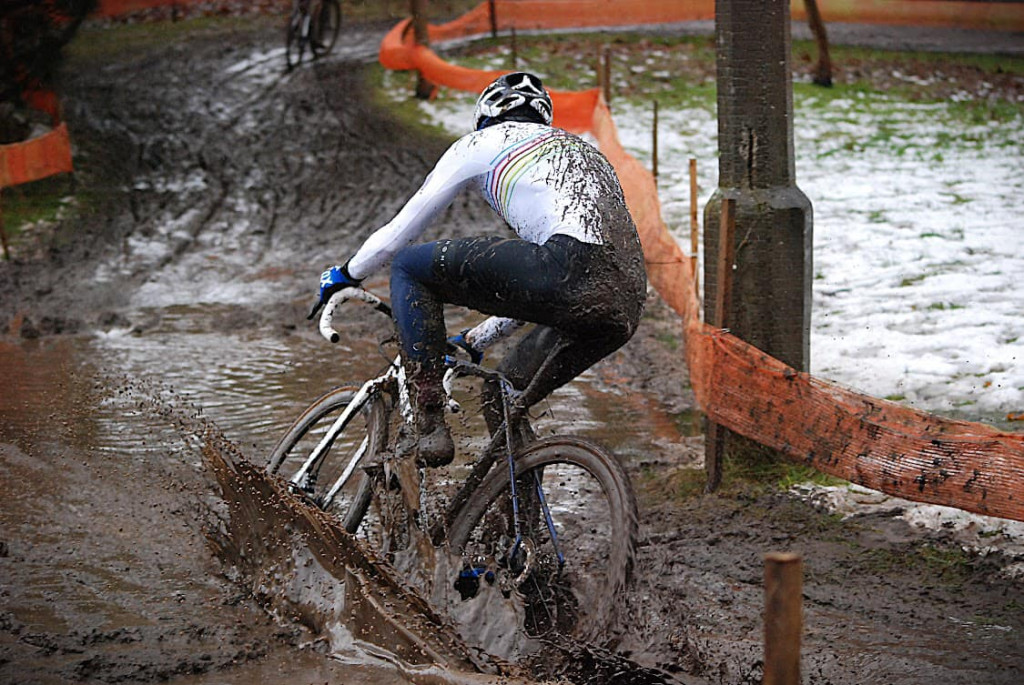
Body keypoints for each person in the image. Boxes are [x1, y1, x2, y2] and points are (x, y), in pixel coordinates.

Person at [310, 72, 647, 467]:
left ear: (485, 115)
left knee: (408, 266)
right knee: (502, 393)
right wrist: (476, 339)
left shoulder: (480, 143)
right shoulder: (582, 152)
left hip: (568, 266)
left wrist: (347, 274)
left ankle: (429, 423)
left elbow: (398, 233)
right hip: (625, 299)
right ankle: (515, 521)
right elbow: (556, 285)